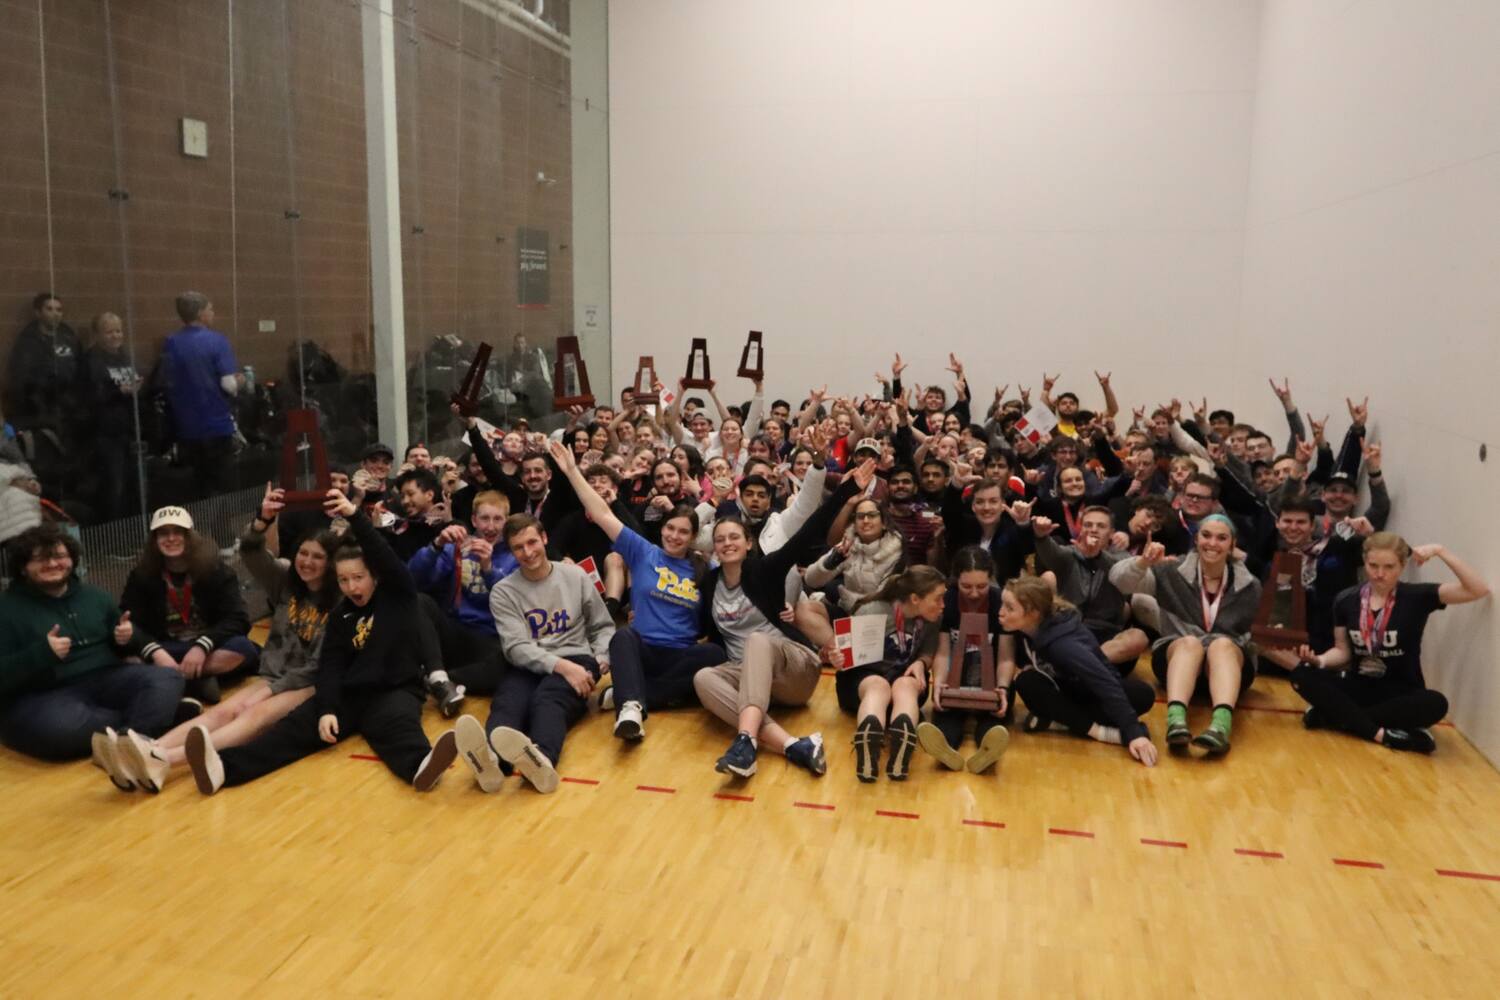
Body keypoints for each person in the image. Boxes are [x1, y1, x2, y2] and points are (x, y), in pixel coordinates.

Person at [182, 489, 458, 795]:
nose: (351, 586)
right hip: (349, 694)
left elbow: (383, 554)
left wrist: (354, 515)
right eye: (343, 580)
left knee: (398, 729)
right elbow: (331, 665)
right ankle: (222, 769)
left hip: (394, 690)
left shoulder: (399, 596)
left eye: (358, 578)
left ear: (375, 577)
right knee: (290, 732)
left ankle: (422, 767)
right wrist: (326, 709)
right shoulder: (341, 615)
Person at [105, 486, 339, 791]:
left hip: (310, 682)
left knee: (251, 714)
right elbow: (252, 551)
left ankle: (162, 759)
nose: (307, 562)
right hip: (273, 675)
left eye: (317, 557)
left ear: (331, 563)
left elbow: (318, 664)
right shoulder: (286, 582)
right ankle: (143, 750)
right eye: (303, 554)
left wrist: (267, 692)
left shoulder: (339, 602)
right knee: (225, 711)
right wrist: (262, 521)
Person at [691, 467, 866, 779]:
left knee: (756, 640)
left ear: (748, 544)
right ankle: (792, 745)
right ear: (713, 548)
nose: (727, 543)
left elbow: (808, 533)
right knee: (703, 677)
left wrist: (847, 489)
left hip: (793, 669)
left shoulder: (765, 570)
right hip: (749, 679)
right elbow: (702, 631)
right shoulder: (709, 583)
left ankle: (745, 741)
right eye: (719, 539)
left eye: (734, 537)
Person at [549, 439, 726, 741]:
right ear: (663, 529)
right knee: (622, 636)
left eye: (684, 531)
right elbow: (603, 513)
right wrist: (571, 472)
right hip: (642, 651)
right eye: (670, 528)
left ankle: (631, 692)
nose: (674, 536)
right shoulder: (644, 552)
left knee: (714, 654)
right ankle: (630, 708)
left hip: (680, 655)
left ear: (694, 536)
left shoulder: (705, 568)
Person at [450, 513, 616, 795]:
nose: (527, 553)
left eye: (531, 543)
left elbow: (603, 626)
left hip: (577, 658)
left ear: (544, 539)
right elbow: (516, 647)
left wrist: (600, 660)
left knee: (548, 701)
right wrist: (561, 666)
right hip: (530, 664)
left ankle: (541, 760)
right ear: (511, 551)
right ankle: (492, 761)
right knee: (508, 703)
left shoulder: (575, 576)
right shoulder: (503, 591)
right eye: (518, 547)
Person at [0, 523, 183, 762]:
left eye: (59, 556)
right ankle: (148, 723)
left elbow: (128, 644)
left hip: (107, 678)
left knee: (166, 678)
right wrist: (40, 654)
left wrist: (127, 638)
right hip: (43, 695)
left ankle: (126, 741)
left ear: (73, 559)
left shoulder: (93, 596)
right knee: (60, 731)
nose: (53, 564)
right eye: (41, 559)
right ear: (23, 568)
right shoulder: (6, 609)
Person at [1290, 533, 1489, 753]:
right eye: (1373, 565)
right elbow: (1342, 652)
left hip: (1400, 691)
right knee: (1302, 675)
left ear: (1402, 566)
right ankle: (1383, 734)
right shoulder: (1346, 599)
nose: (1380, 574)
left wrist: (1440, 550)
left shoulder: (1417, 596)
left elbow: (1477, 589)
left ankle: (1334, 716)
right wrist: (1318, 660)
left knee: (1437, 703)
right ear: (1364, 562)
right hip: (1358, 686)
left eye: (1389, 567)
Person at [1110, 514, 1262, 756]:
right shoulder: (1170, 571)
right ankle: (1176, 721)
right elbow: (1119, 581)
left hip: (1228, 667)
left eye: (1221, 538)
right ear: (1195, 539)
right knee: (1190, 643)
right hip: (1177, 659)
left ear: (1232, 545)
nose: (1212, 543)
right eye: (1206, 535)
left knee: (1221, 645)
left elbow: (1261, 631)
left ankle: (1220, 726)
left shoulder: (1251, 585)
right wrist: (1142, 563)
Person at [1003, 577, 1157, 766]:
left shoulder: (1064, 646)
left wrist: (1133, 732)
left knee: (1143, 694)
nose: (1001, 613)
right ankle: (1070, 720)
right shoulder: (1023, 629)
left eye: (1009, 608)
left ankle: (1095, 731)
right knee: (1027, 682)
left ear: (1033, 613)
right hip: (1067, 688)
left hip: (1092, 691)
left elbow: (1104, 681)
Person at [120, 506, 260, 706]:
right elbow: (130, 623)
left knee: (243, 648)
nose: (171, 539)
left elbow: (238, 618)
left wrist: (202, 646)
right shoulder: (141, 576)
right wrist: (155, 653)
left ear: (191, 537)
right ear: (154, 541)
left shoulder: (216, 570)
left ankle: (174, 680)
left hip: (208, 646)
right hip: (166, 648)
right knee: (128, 658)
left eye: (178, 532)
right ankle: (195, 680)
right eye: (163, 533)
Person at [836, 565, 947, 782]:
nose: (943, 605)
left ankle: (898, 739)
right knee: (879, 686)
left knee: (905, 684)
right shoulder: (873, 610)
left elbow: (927, 651)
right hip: (862, 681)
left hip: (903, 678)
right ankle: (872, 741)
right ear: (915, 599)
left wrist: (922, 664)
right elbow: (844, 658)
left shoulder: (932, 618)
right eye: (938, 598)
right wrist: (836, 657)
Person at [408, 490, 518, 705]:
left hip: (493, 639)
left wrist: (488, 569)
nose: (491, 527)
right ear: (474, 520)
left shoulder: (514, 554)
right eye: (485, 518)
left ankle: (438, 680)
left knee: (510, 668)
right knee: (420, 601)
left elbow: (512, 600)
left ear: (506, 522)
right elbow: (414, 578)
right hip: (458, 632)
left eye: (498, 519)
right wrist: (436, 545)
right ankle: (439, 675)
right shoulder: (457, 548)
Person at [915, 547, 1014, 774]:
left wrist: (1003, 688)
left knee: (996, 712)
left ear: (991, 580)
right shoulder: (947, 601)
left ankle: (988, 748)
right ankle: (945, 747)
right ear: (955, 580)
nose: (974, 593)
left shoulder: (1000, 602)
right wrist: (938, 683)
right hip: (956, 674)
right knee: (946, 709)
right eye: (966, 586)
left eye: (981, 586)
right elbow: (942, 651)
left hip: (990, 678)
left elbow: (1006, 657)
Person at [1029, 506, 1148, 671]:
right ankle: (1086, 668)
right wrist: (1041, 536)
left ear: (1112, 533)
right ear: (1080, 529)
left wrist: (1098, 556)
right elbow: (1051, 554)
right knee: (1047, 578)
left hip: (1106, 638)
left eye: (1101, 526)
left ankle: (1080, 666)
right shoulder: (1070, 554)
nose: (1093, 530)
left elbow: (1120, 571)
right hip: (1070, 629)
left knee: (1138, 637)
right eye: (1088, 525)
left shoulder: (1122, 558)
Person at [155, 291, 242, 500]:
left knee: (197, 485)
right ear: (201, 313)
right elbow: (229, 384)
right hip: (216, 424)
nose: (213, 313)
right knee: (222, 483)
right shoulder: (217, 341)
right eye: (210, 309)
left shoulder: (171, 343)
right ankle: (220, 528)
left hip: (186, 427)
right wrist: (241, 381)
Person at [81, 312, 142, 521]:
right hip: (105, 435)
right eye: (109, 332)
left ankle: (130, 531)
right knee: (113, 488)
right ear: (97, 335)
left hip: (128, 431)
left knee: (132, 486)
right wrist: (119, 392)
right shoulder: (91, 361)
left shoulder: (125, 357)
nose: (116, 336)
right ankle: (112, 540)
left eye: (118, 330)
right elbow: (89, 397)